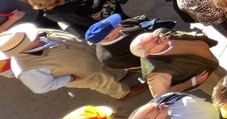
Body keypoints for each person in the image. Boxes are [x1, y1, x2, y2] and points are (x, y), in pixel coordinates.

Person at [0, 23, 142, 99]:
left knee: (108, 67)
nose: (35, 35)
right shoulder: (26, 69)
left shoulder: (39, 33)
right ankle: (122, 94)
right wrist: (69, 78)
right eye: (28, 40)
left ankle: (120, 75)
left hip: (90, 55)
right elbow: (41, 88)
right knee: (103, 82)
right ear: (18, 50)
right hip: (85, 74)